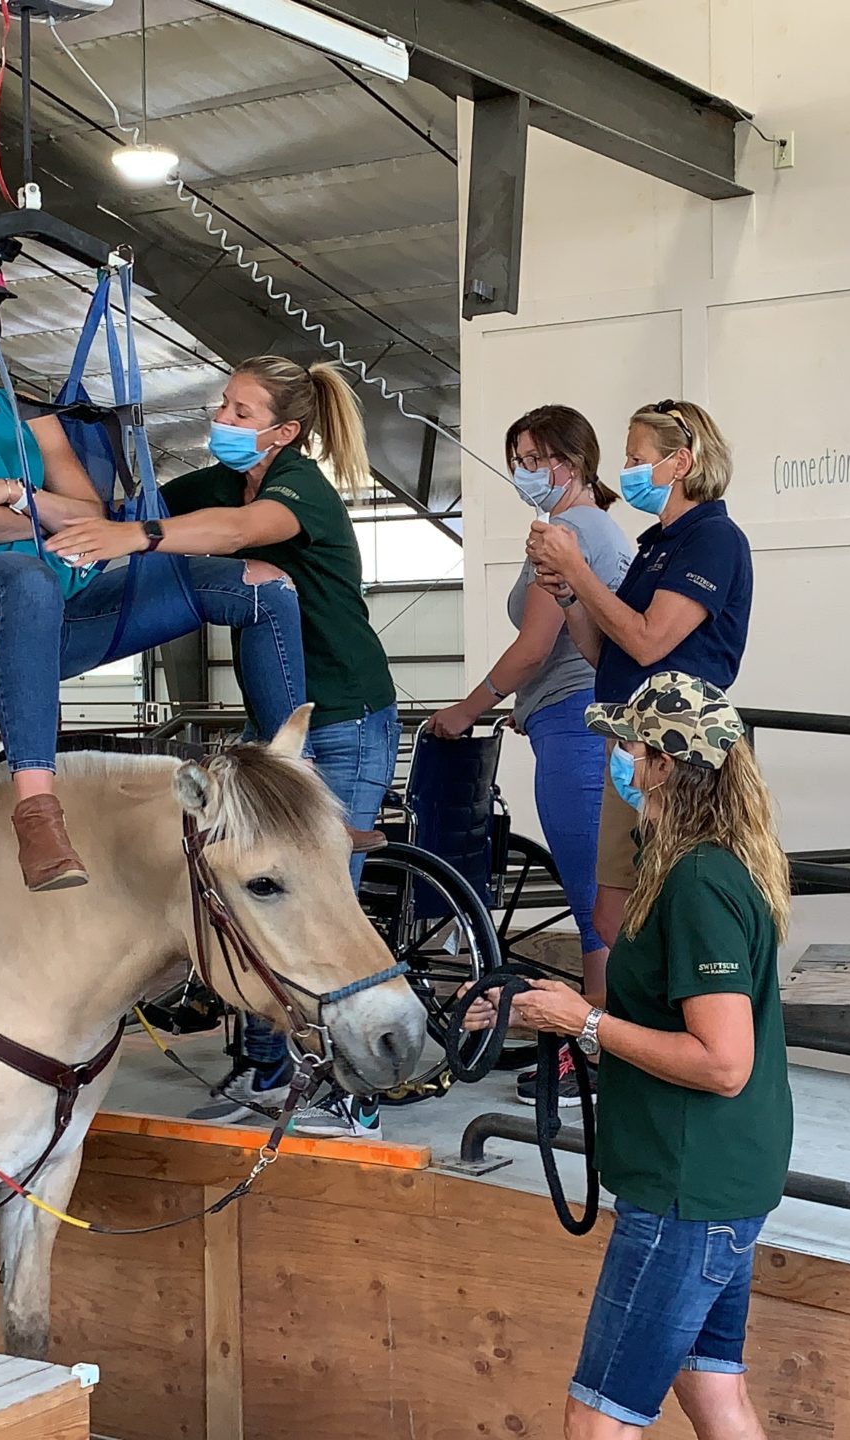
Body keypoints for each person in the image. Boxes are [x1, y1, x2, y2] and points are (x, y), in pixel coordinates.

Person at [0, 235, 308, 891]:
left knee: (264, 585)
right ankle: (37, 808)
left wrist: (20, 498)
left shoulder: (34, 418)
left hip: (72, 604)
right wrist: (48, 518)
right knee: (28, 577)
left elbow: (93, 517)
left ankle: (287, 788)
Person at [47, 355, 395, 1138]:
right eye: (225, 405)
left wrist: (131, 535)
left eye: (242, 411)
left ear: (285, 430)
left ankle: (350, 1089)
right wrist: (50, 473)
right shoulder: (218, 482)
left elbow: (236, 533)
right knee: (248, 888)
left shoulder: (296, 486)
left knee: (320, 897)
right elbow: (137, 506)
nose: (224, 419)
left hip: (342, 716)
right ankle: (269, 1073)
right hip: (277, 726)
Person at [465, 672, 792, 1440]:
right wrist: (549, 1010)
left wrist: (585, 1025)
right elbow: (658, 1018)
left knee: (598, 1418)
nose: (615, 757)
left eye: (627, 745)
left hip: (685, 1193)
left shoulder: (699, 882)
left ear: (665, 765)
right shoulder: (695, 864)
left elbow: (723, 1061)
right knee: (714, 1394)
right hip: (717, 1184)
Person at [427, 405, 634, 1103]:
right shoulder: (597, 527)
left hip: (578, 730)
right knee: (601, 893)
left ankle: (598, 1054)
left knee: (593, 900)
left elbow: (536, 646)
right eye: (515, 456)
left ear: (568, 466)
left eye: (531, 458)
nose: (520, 472)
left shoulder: (570, 531)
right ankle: (600, 1044)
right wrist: (529, 705)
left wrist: (466, 709)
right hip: (568, 718)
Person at [527, 399, 752, 1010]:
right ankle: (617, 1034)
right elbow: (609, 652)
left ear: (680, 463)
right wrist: (569, 592)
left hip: (676, 747)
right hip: (630, 736)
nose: (625, 470)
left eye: (635, 458)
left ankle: (652, 1033)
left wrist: (579, 565)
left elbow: (650, 639)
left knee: (669, 894)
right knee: (611, 905)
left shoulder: (713, 540)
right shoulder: (657, 544)